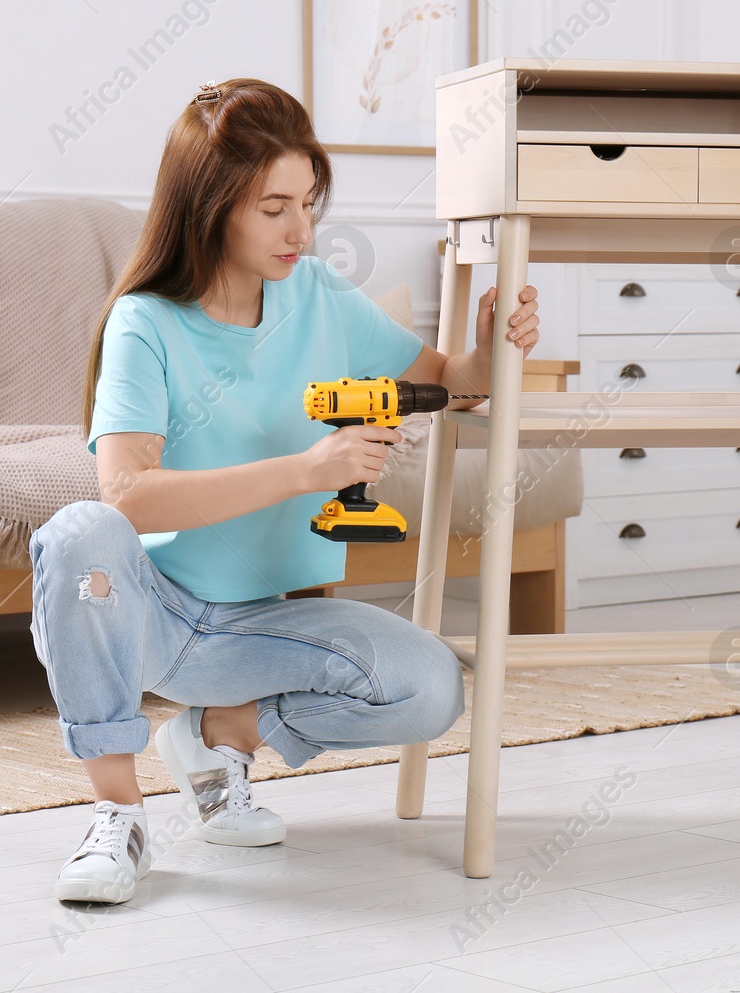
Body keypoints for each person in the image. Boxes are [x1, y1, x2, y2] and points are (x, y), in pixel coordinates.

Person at [28, 77, 541, 904]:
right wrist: (306, 472)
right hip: (151, 612)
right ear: (211, 203)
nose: (301, 229)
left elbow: (446, 380)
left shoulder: (316, 296)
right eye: (275, 207)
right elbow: (128, 494)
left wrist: (489, 348)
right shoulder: (147, 322)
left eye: (308, 201)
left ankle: (218, 735)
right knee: (79, 533)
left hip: (260, 625)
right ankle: (117, 817)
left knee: (430, 683)